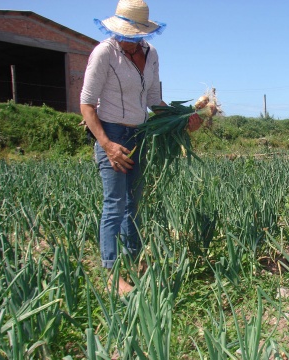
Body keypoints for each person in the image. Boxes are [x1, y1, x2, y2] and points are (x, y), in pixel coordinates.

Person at [80, 0, 202, 295]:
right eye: (126, 34)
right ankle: (110, 273)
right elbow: (86, 104)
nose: (129, 41)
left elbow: (153, 100)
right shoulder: (104, 53)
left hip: (141, 133)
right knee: (114, 204)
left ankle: (134, 260)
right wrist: (107, 145)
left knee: (133, 202)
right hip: (110, 132)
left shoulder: (151, 53)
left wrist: (183, 119)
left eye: (135, 35)